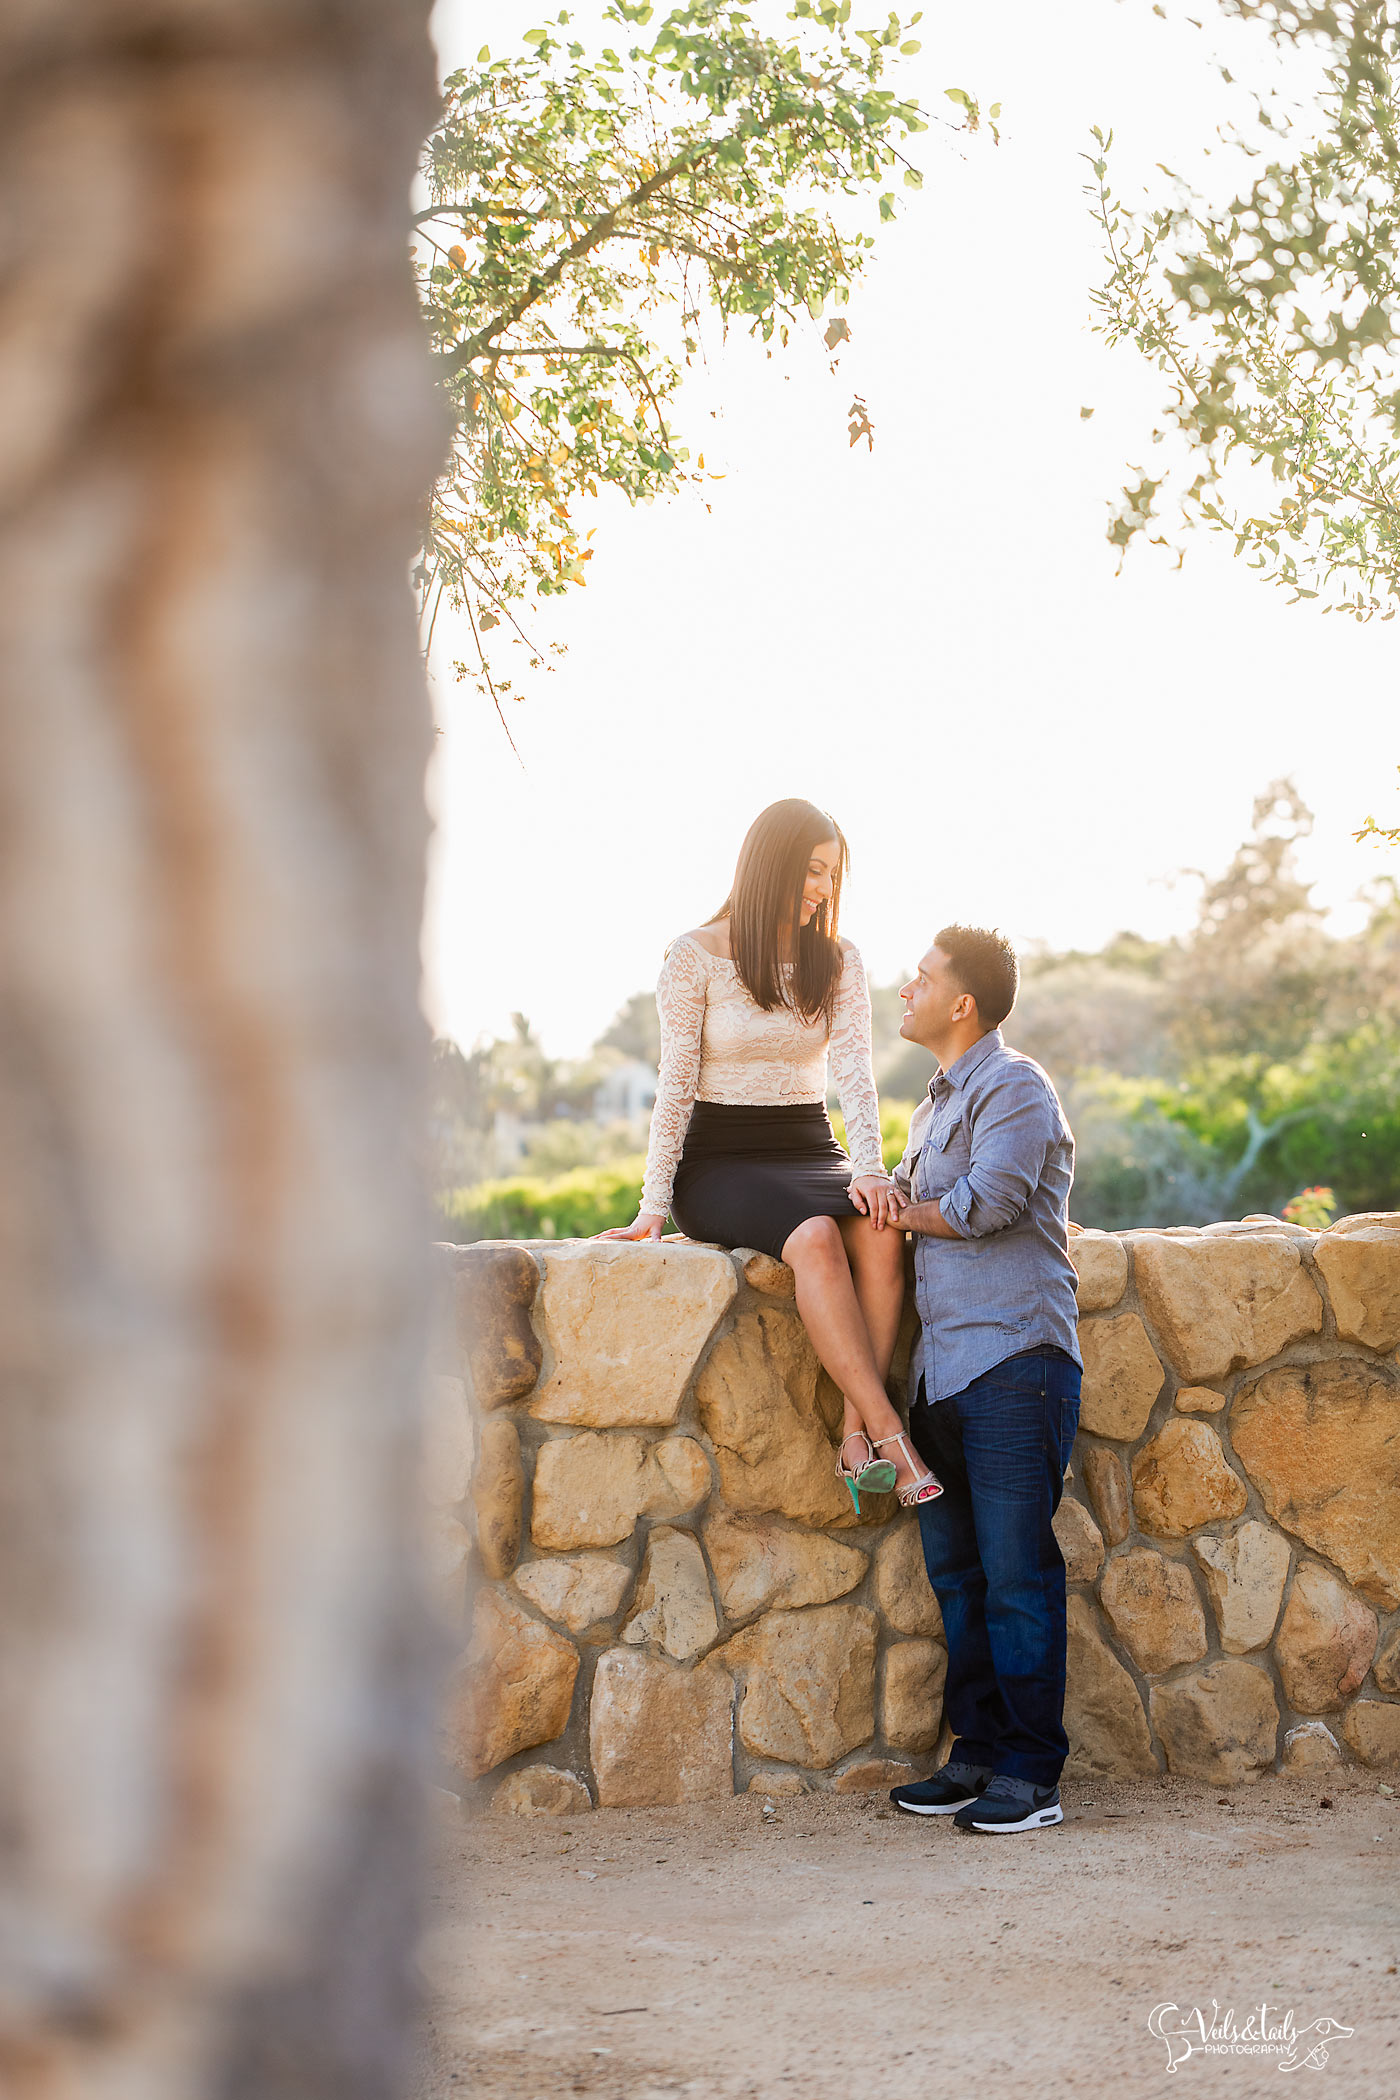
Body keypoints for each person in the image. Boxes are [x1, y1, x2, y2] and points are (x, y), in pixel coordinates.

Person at [598, 798, 940, 1508]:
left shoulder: (840, 959)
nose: (822, 889)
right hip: (720, 1160)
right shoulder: (693, 956)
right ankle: (892, 1435)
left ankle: (854, 1437)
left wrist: (871, 1169)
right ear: (772, 863)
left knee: (881, 1233)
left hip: (810, 1146)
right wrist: (652, 1206)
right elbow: (675, 1089)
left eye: (832, 875)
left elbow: (853, 1073)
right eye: (813, 870)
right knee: (816, 1237)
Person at [884, 925, 1082, 1833]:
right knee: (960, 1580)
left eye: (920, 978)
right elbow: (910, 1200)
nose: (905, 988)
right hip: (942, 1375)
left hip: (1012, 1364)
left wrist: (900, 1209)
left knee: (1015, 1577)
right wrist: (882, 1196)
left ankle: (1032, 1777)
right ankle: (977, 1755)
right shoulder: (930, 1107)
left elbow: (987, 1205)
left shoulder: (1015, 1087)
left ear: (961, 1003)